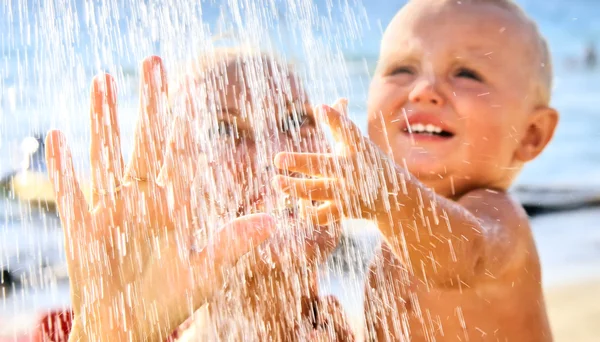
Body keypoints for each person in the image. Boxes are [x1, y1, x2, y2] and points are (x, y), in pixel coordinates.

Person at [273, 0, 559, 340]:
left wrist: (386, 196)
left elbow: (463, 255)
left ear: (531, 135)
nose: (423, 91)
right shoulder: (396, 234)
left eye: (466, 74)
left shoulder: (498, 219)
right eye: (401, 70)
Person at [41, 51, 352, 341]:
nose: (274, 152)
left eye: (294, 121)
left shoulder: (390, 312)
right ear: (170, 184)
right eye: (223, 130)